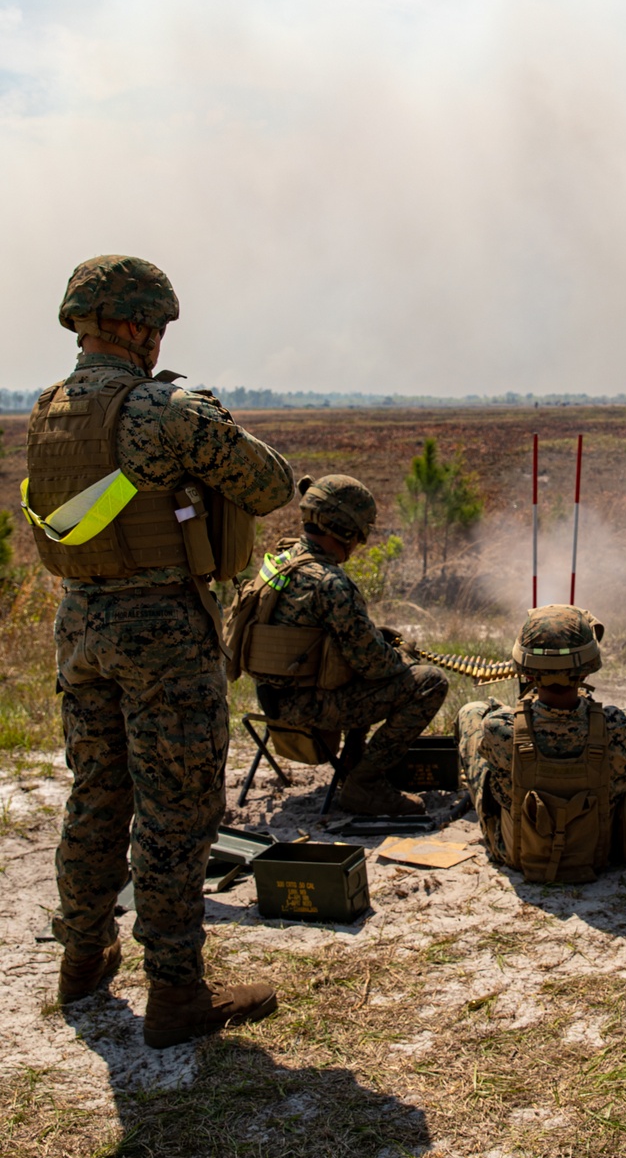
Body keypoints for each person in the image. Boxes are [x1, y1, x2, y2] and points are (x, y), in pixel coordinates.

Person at [22, 255, 295, 1047]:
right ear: (140, 325)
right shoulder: (165, 410)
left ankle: (83, 956)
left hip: (80, 628)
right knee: (175, 812)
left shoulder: (47, 408)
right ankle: (176, 993)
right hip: (162, 633)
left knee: (97, 794)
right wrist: (202, 412)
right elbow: (270, 485)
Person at [232, 474, 448, 818]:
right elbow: (377, 666)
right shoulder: (329, 583)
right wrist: (401, 654)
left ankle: (352, 757)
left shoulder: (280, 561)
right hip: (310, 709)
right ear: (348, 532)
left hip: (273, 701)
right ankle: (365, 782)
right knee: (430, 682)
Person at [457, 605, 626, 881]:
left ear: (526, 671)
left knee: (470, 713)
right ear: (586, 671)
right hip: (603, 849)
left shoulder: (500, 728)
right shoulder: (618, 726)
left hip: (516, 852)